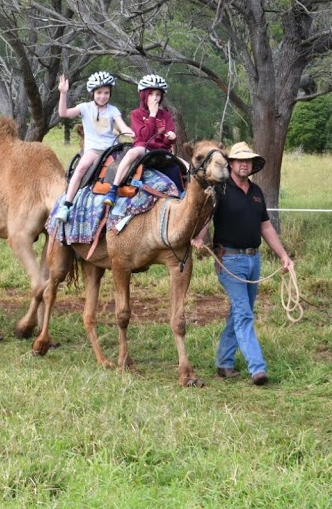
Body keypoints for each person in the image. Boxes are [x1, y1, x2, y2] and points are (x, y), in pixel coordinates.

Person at [192, 141, 294, 386]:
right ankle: (257, 368)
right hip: (229, 260)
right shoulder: (220, 189)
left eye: (248, 161)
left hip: (253, 260)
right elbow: (207, 216)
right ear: (231, 163)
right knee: (244, 314)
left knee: (239, 312)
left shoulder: (257, 192)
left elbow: (266, 227)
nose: (244, 164)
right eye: (239, 160)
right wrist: (200, 237)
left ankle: (224, 362)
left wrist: (283, 255)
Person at [53, 71, 134, 222]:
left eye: (106, 93)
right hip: (94, 150)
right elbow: (63, 113)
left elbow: (122, 126)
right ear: (92, 93)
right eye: (99, 93)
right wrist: (63, 93)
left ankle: (120, 202)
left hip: (112, 149)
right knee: (81, 168)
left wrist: (130, 132)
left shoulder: (113, 110)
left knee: (126, 169)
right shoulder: (85, 108)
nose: (102, 96)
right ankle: (66, 205)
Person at [102, 73, 182, 205]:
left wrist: (171, 138)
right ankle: (113, 188)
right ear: (144, 95)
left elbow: (168, 141)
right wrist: (152, 115)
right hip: (144, 149)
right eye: (151, 94)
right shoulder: (136, 114)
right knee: (133, 152)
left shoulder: (166, 115)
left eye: (158, 95)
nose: (155, 98)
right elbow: (143, 137)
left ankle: (184, 194)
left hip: (162, 152)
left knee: (187, 166)